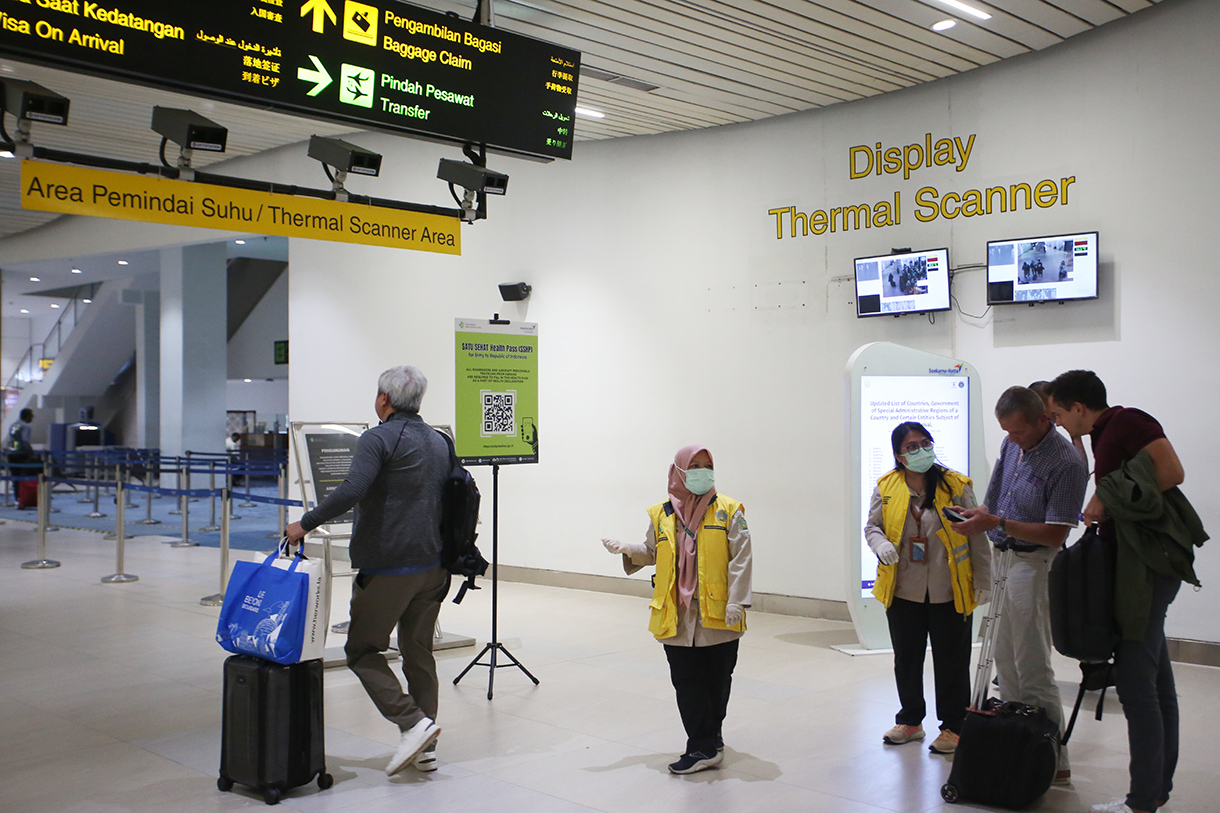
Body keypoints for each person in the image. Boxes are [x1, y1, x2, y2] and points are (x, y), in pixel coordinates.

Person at [1047, 370, 1203, 813]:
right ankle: (1155, 790)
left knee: (1137, 684)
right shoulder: (1102, 433)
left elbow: (1172, 472)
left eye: (1059, 414)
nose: (1058, 423)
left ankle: (1141, 801)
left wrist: (1106, 499)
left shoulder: (1129, 421)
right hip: (1135, 567)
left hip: (1147, 571)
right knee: (1156, 681)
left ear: (1079, 407)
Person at [285, 365, 450, 777]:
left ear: (383, 400)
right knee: (418, 651)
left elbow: (352, 489)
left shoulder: (378, 438)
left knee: (361, 650)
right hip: (435, 565)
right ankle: (425, 746)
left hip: (390, 566)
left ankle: (413, 725)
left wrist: (304, 523)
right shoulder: (441, 441)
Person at [949, 386, 1087, 785]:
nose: (1011, 439)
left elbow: (1055, 534)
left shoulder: (1067, 462)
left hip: (1034, 563)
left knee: (1032, 663)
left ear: (1044, 419)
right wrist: (979, 515)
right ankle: (1012, 742)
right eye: (1006, 432)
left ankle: (1053, 758)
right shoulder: (1011, 448)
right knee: (1002, 658)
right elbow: (995, 506)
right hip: (1001, 557)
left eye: (1019, 432)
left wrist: (998, 523)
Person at [601, 445, 751, 775]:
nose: (701, 472)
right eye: (693, 466)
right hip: (677, 615)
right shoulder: (662, 513)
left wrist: (738, 601)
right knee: (686, 681)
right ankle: (700, 745)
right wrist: (629, 549)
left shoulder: (729, 510)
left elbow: (741, 559)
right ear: (678, 472)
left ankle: (711, 737)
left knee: (718, 681)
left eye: (707, 465)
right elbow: (654, 551)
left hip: (719, 614)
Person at [866, 422, 991, 755]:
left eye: (925, 443)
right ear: (898, 455)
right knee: (907, 658)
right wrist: (880, 546)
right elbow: (872, 528)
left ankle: (953, 726)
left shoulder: (955, 484)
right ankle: (910, 721)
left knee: (952, 660)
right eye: (911, 447)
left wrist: (983, 580)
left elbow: (977, 534)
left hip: (948, 588)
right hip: (903, 588)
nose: (920, 451)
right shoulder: (887, 487)